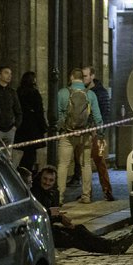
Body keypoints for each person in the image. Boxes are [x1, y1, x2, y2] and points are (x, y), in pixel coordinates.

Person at [31, 165, 133, 254]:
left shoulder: (54, 193)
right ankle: (110, 247)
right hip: (41, 233)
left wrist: (60, 218)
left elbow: (53, 215)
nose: (47, 182)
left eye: (51, 180)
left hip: (50, 229)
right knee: (75, 239)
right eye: (45, 179)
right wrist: (52, 214)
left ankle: (112, 244)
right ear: (40, 178)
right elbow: (35, 216)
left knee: (79, 229)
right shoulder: (35, 193)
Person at [57, 68, 103, 204]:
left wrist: (64, 127)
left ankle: (59, 196)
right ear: (82, 79)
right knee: (86, 165)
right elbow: (97, 116)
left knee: (63, 164)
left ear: (71, 78)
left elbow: (57, 114)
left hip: (67, 134)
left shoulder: (63, 93)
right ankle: (86, 196)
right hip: (85, 134)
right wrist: (100, 133)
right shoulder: (90, 94)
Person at [83, 65, 114, 201]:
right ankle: (86, 193)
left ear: (92, 76)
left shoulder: (101, 92)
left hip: (98, 134)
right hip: (84, 132)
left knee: (100, 160)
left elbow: (106, 113)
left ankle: (107, 190)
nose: (83, 78)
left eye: (85, 76)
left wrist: (101, 132)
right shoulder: (81, 91)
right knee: (84, 163)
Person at [14, 71, 48, 171]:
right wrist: (43, 127)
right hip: (33, 127)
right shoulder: (34, 93)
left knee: (26, 152)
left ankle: (23, 171)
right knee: (31, 154)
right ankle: (26, 173)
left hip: (22, 127)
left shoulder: (19, 92)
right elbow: (39, 111)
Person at [0, 65, 23, 156]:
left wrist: (15, 126)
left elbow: (18, 110)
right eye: (6, 73)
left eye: (10, 73)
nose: (9, 76)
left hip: (10, 129)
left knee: (7, 157)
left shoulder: (12, 92)